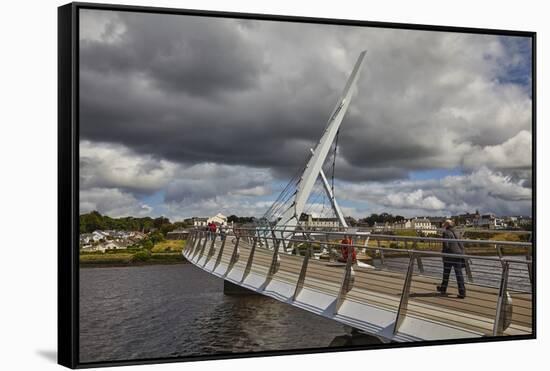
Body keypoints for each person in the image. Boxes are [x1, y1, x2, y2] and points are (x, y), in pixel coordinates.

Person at [437, 219, 466, 298]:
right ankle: (462, 292)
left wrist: (443, 255)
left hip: (450, 255)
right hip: (459, 254)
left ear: (446, 225)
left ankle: (443, 289)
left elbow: (446, 246)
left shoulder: (446, 233)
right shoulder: (456, 231)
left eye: (444, 224)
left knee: (446, 273)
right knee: (459, 274)